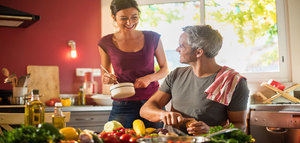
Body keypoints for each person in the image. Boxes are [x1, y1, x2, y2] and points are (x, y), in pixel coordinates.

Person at [140, 25, 249, 135]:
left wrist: (210, 131)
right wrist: (162, 115)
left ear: (198, 52)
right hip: (172, 139)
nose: (177, 50)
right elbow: (145, 109)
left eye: (182, 46)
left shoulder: (233, 82)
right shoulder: (176, 74)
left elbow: (240, 125)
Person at [98, 0, 169, 128]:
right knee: (118, 138)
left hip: (152, 101)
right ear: (114, 17)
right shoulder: (106, 42)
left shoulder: (152, 38)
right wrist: (107, 78)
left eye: (134, 17)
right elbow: (105, 73)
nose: (129, 22)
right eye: (123, 18)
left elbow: (165, 69)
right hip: (123, 104)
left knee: (155, 139)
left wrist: (149, 78)